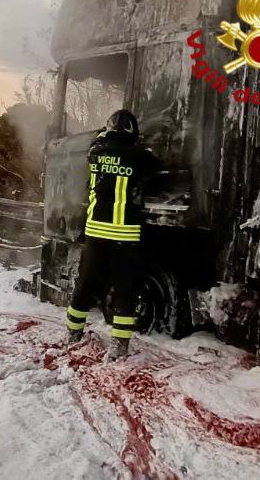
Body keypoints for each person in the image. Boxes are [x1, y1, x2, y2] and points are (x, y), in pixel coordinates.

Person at [64, 109, 160, 361]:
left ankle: (73, 334)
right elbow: (154, 167)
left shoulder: (95, 153)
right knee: (124, 289)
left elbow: (97, 144)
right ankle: (119, 344)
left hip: (96, 231)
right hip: (125, 234)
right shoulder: (139, 157)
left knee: (85, 284)